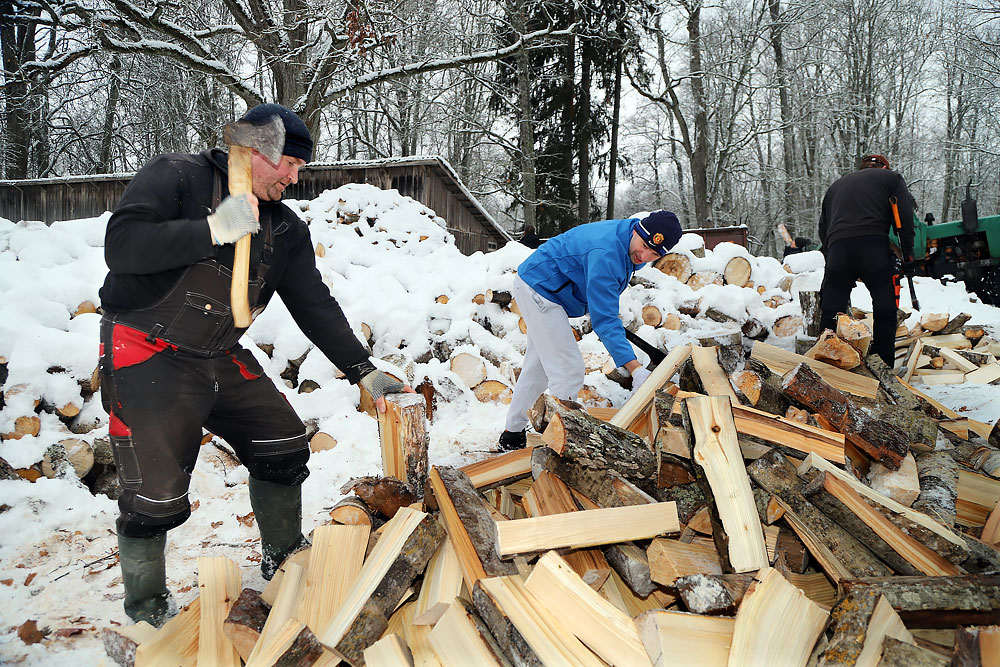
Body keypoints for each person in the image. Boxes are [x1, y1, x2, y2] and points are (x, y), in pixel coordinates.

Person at [98, 103, 410, 626]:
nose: (294, 177)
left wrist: (362, 369)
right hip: (147, 347)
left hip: (218, 353)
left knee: (283, 443)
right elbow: (121, 248)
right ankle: (147, 605)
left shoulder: (284, 229)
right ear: (250, 151)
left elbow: (314, 303)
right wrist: (212, 229)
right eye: (288, 163)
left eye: (299, 169)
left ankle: (283, 555)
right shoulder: (178, 176)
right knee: (154, 493)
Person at [498, 211, 683, 450]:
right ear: (638, 229)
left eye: (654, 254)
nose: (644, 256)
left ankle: (511, 435)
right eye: (644, 246)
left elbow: (602, 299)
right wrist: (634, 368)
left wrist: (601, 310)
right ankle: (560, 446)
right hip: (540, 288)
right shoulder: (607, 252)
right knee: (567, 370)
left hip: (549, 288)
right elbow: (604, 318)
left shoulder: (626, 239)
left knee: (539, 368)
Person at [818, 153, 914, 368]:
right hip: (873, 245)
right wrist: (908, 254)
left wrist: (833, 256)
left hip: (837, 248)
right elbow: (905, 217)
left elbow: (823, 228)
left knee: (832, 308)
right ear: (884, 167)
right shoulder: (891, 178)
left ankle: (826, 363)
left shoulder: (835, 186)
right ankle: (882, 367)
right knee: (884, 307)